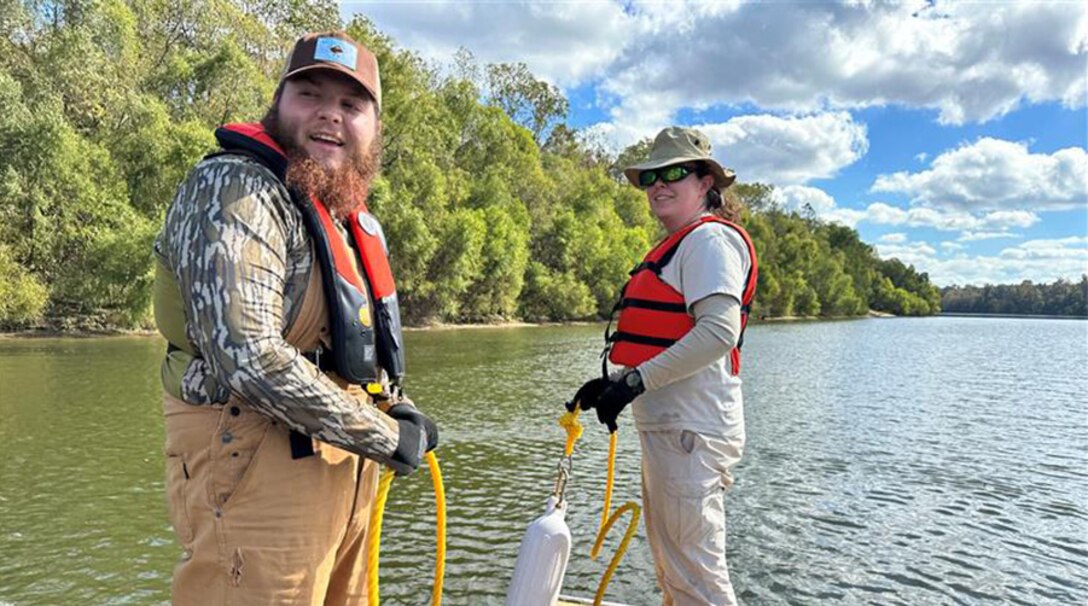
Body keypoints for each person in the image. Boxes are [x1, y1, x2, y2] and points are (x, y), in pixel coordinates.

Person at [152, 31, 438, 605]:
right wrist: (385, 436)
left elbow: (349, 341)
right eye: (309, 95)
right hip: (251, 454)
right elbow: (248, 356)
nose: (329, 116)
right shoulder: (235, 187)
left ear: (374, 127)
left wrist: (391, 400)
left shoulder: (345, 217)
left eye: (351, 105)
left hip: (343, 461)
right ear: (278, 106)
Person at [569, 127, 758, 605]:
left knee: (697, 581)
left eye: (674, 172)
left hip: (691, 434)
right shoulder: (688, 244)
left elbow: (719, 333)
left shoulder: (708, 241)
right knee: (677, 573)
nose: (658, 183)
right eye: (651, 175)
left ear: (705, 182)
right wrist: (612, 383)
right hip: (678, 432)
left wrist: (636, 381)